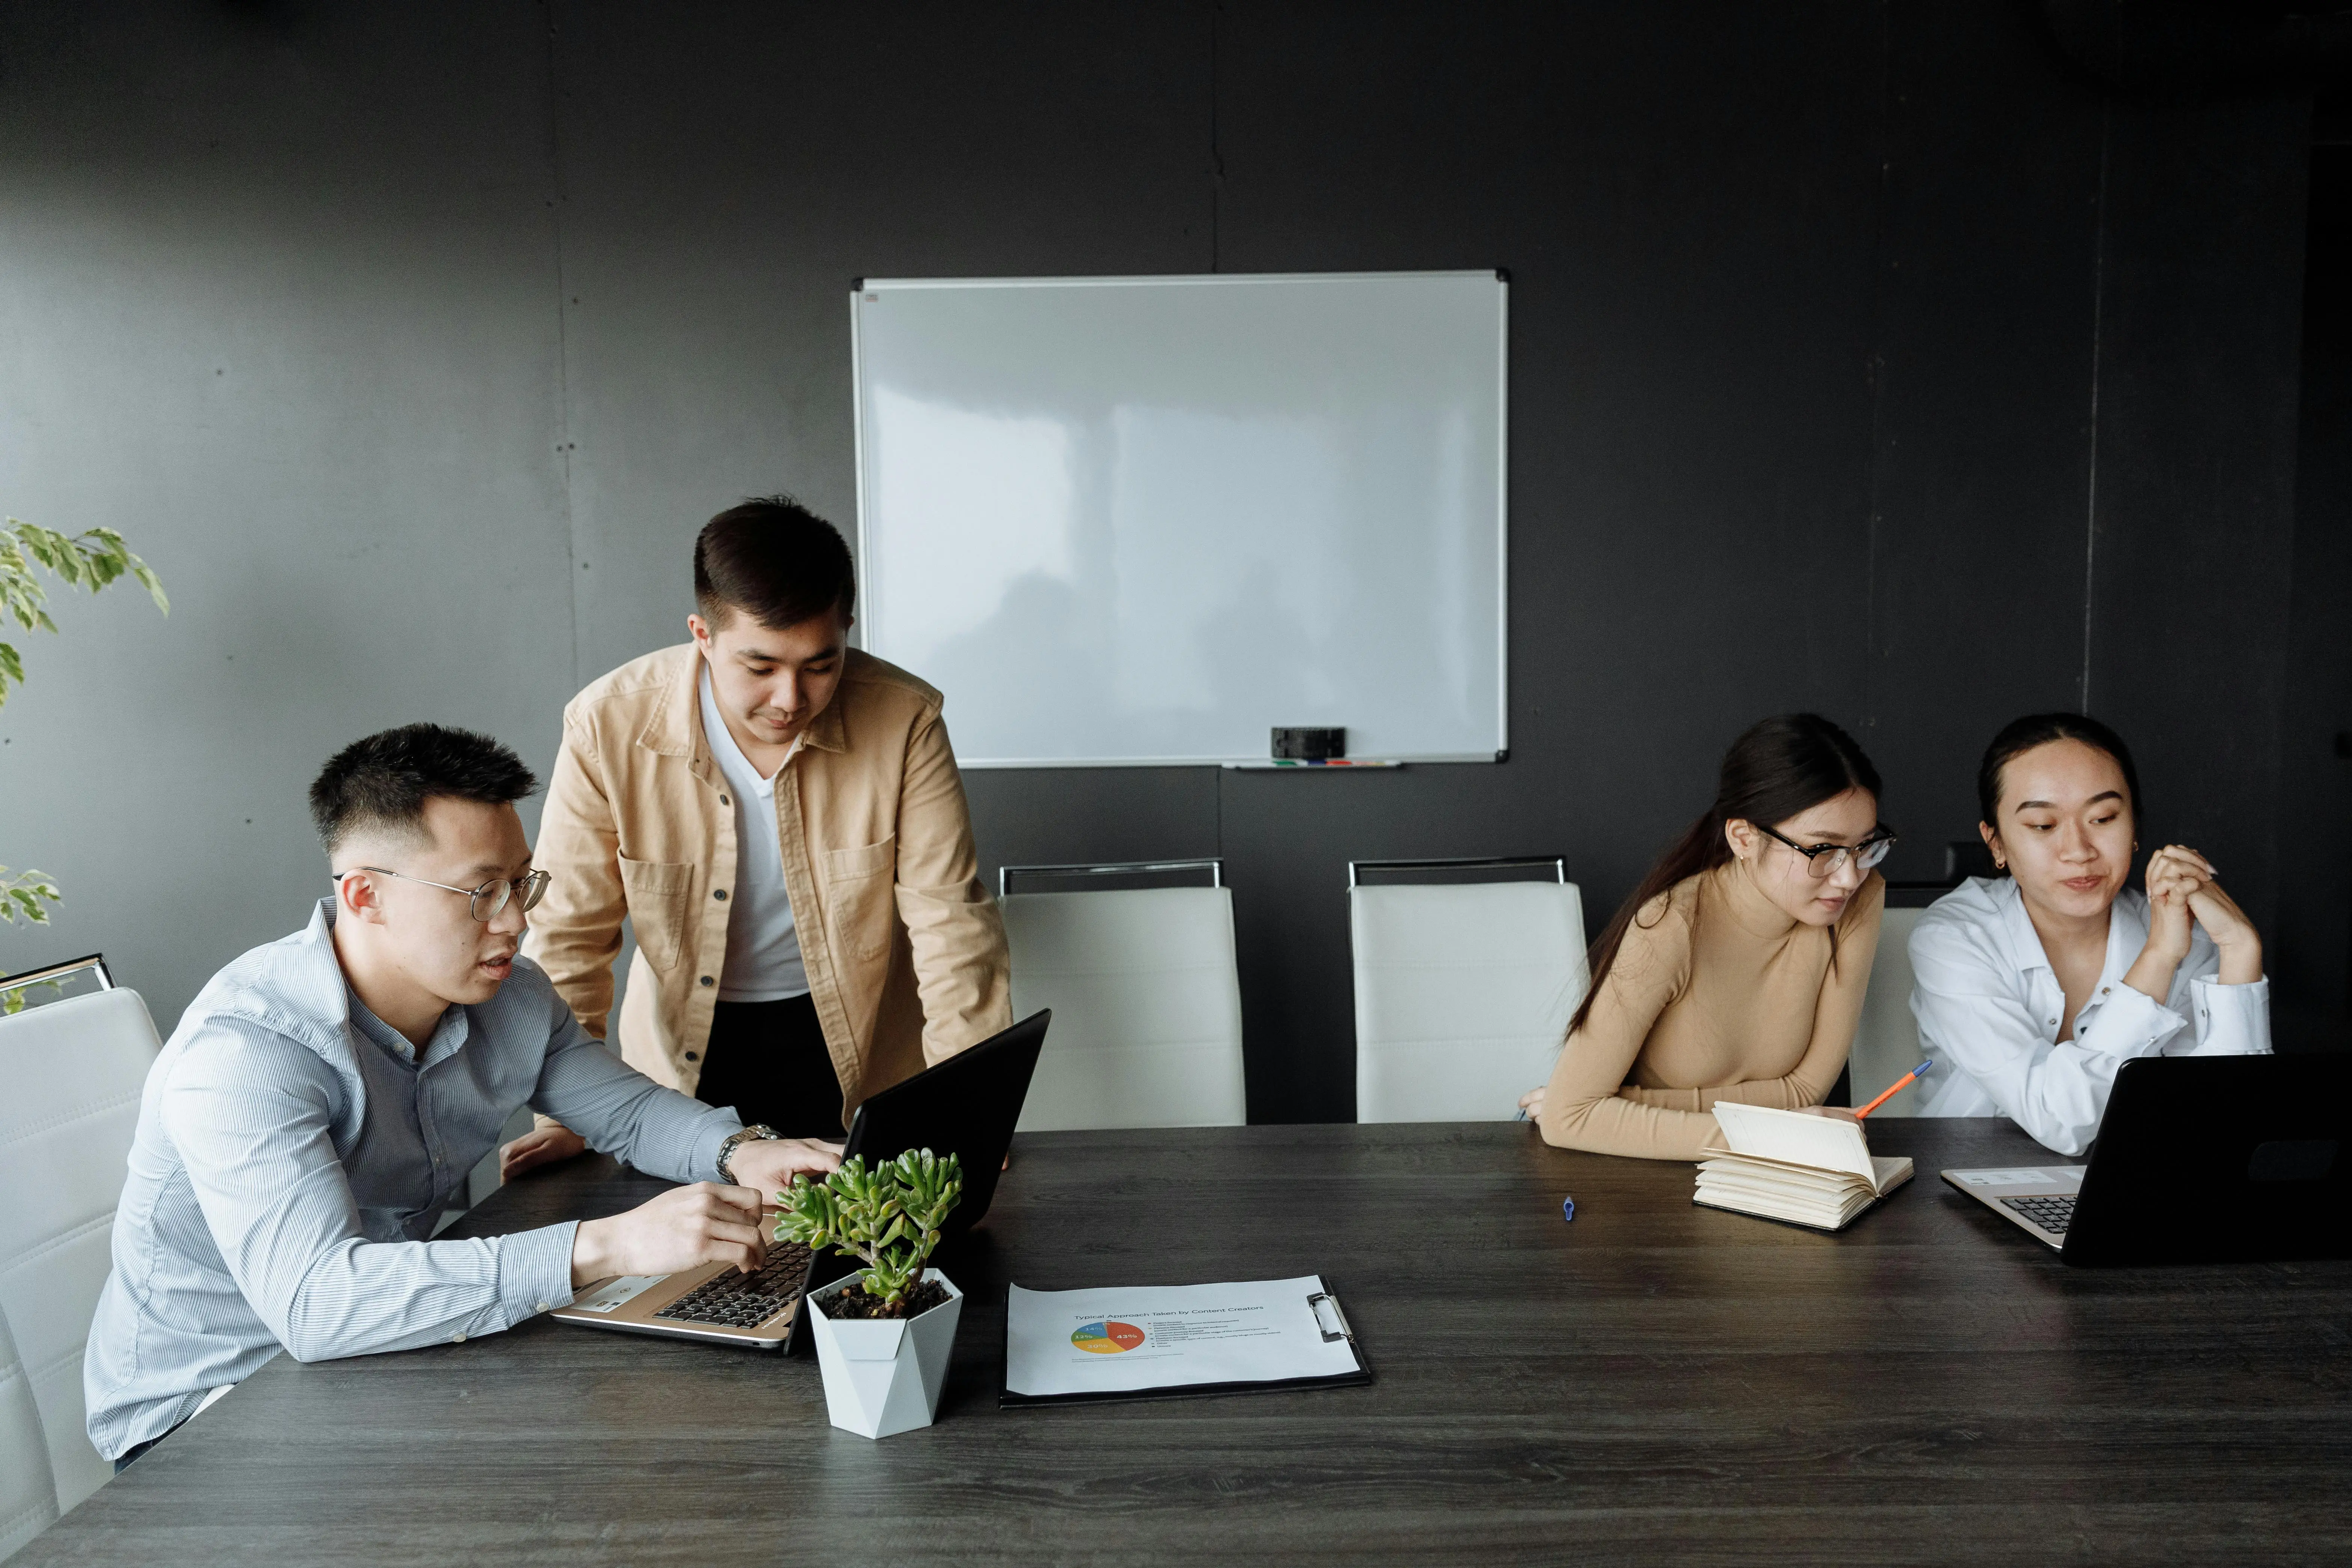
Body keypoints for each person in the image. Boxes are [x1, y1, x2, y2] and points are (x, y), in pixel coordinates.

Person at [84, 725, 840, 1467]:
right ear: (364, 895)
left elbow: (631, 1112)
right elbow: (316, 1302)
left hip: (374, 1359)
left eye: (521, 882)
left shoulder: (509, 998)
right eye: (481, 892)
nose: (516, 920)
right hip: (206, 1417)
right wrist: (608, 1244)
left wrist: (742, 1150)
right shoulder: (247, 1053)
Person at [500, 495, 1011, 1178]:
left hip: (852, 1043)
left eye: (821, 664)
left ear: (847, 631)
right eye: (761, 666)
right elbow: (569, 934)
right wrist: (568, 1112)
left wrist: (967, 1108)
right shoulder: (607, 725)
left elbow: (952, 922)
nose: (790, 698)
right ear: (702, 635)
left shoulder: (905, 718)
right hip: (682, 1058)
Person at [1518, 713, 1891, 1159]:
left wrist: (1627, 1108)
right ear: (1744, 838)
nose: (1849, 876)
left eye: (1864, 845)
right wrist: (1776, 1134)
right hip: (1636, 1183)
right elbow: (1571, 1120)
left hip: (1754, 1179)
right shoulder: (1669, 926)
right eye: (1822, 849)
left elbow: (1806, 1088)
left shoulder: (1860, 899)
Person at [1906, 713, 2269, 1153]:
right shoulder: (1954, 938)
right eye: (2043, 825)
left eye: (2103, 818)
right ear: (1996, 843)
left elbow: (2227, 1125)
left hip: (2130, 1196)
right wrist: (2157, 958)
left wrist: (2240, 948)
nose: (2079, 851)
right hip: (1955, 1191)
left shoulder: (2186, 936)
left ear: (2134, 826)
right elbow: (2059, 1119)